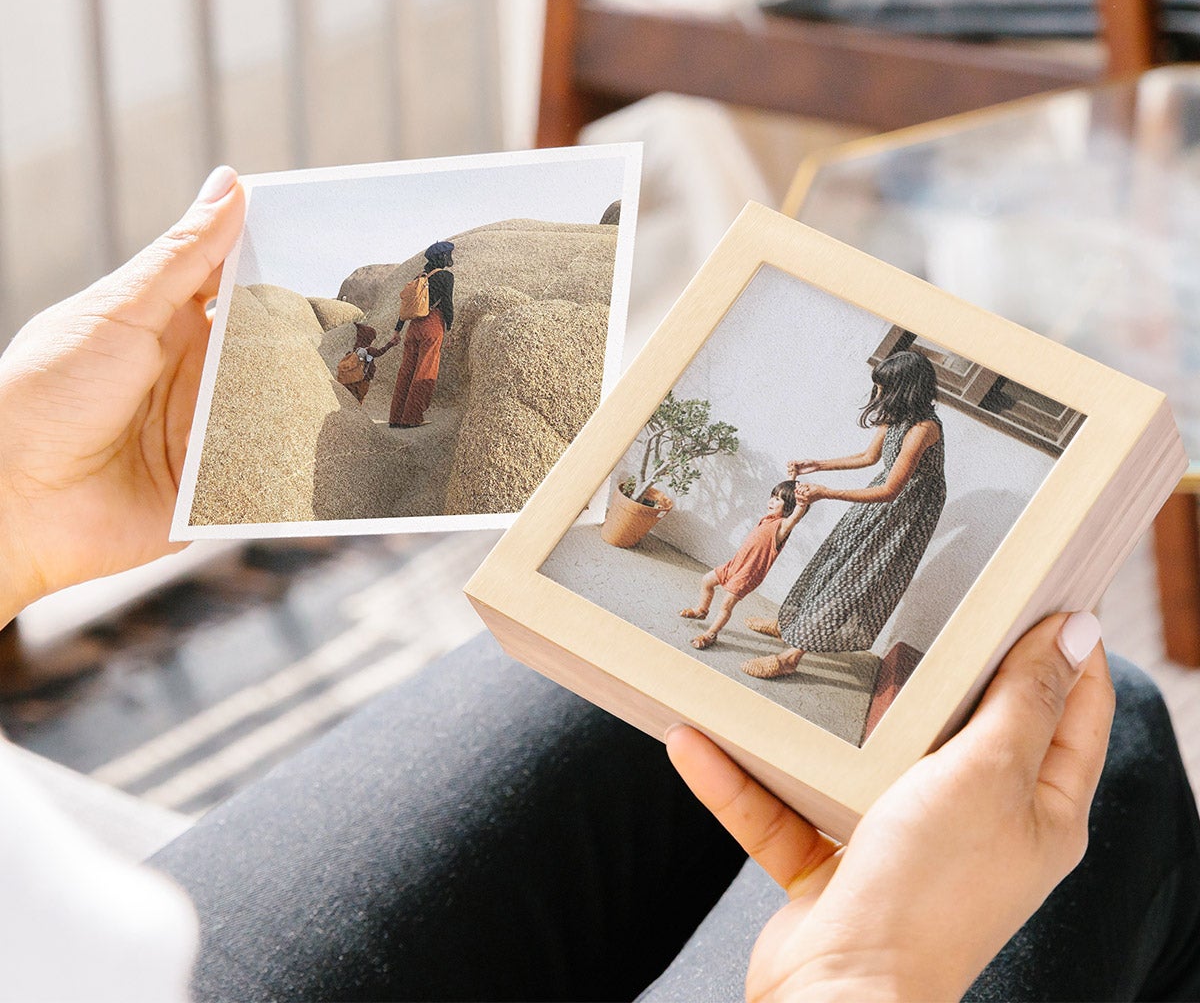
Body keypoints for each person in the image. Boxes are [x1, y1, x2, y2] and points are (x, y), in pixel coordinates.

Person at [1, 170, 1199, 1001]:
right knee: (1118, 736)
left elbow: (882, 477)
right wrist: (858, 980)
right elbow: (866, 473)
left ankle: (756, 648)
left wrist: (19, 507)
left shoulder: (918, 434)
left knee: (600, 681)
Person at [743, 349, 945, 681]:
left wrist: (827, 492)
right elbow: (869, 456)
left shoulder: (924, 428)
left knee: (851, 579)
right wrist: (819, 464)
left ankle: (791, 657)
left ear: (906, 388)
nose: (877, 393)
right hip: (883, 498)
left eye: (884, 386)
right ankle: (789, 627)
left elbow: (892, 491)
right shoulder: (897, 415)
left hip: (907, 512)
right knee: (834, 560)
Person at [680, 479, 808, 649]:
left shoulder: (783, 527)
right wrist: (793, 476)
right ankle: (701, 610)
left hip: (748, 574)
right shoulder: (769, 519)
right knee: (707, 581)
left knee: (726, 606)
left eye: (778, 499)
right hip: (734, 565)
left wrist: (802, 502)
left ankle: (710, 634)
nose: (771, 501)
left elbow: (796, 516)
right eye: (772, 496)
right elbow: (788, 492)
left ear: (790, 507)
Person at [376, 240, 455, 428]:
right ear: (443, 257)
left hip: (413, 327)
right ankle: (412, 418)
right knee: (425, 370)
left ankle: (396, 417)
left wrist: (397, 330)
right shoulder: (445, 276)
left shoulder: (419, 277)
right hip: (432, 324)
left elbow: (406, 307)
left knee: (406, 372)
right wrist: (449, 329)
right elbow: (447, 305)